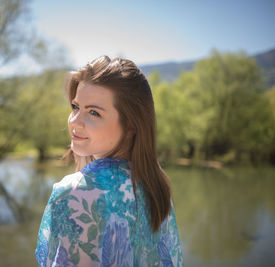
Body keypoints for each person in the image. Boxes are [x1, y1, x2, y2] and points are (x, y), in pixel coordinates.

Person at [35, 56, 183, 266]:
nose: (75, 122)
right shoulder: (156, 189)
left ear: (131, 124)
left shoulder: (73, 192)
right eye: (76, 107)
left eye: (93, 112)